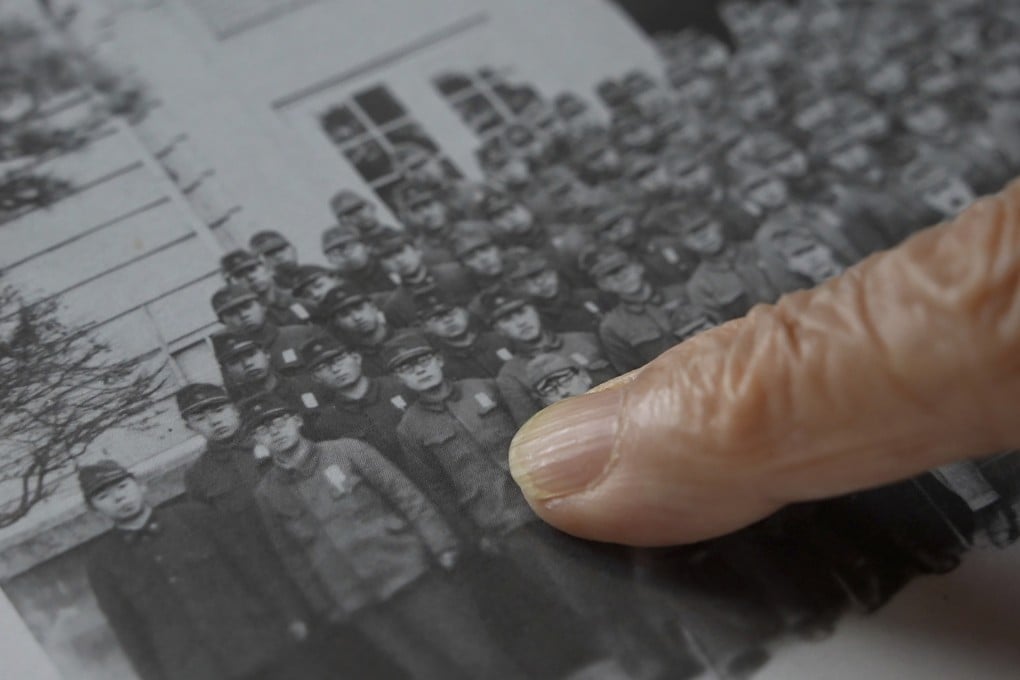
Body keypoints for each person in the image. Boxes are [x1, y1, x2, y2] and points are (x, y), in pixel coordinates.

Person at [507, 177, 1020, 550]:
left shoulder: (763, 254)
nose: (705, 238)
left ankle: (990, 504)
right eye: (611, 275)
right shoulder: (682, 294)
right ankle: (967, 518)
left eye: (708, 227)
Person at [246, 395, 525, 680]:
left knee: (473, 654)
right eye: (263, 429)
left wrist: (440, 544)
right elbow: (291, 554)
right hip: (355, 596)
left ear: (296, 420)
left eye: (279, 421)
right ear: (256, 440)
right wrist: (325, 604)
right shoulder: (268, 492)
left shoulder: (347, 450)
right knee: (425, 670)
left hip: (408, 570)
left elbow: (404, 495)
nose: (274, 432)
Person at [82, 460, 312, 680]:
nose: (118, 497)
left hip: (258, 646)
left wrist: (291, 615)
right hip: (195, 670)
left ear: (141, 485)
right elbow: (129, 632)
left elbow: (253, 569)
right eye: (103, 496)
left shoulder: (195, 517)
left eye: (122, 486)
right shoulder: (103, 562)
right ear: (95, 511)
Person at [210, 285, 322, 377]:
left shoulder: (302, 334)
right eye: (232, 313)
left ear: (261, 305)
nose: (243, 315)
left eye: (247, 306)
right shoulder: (234, 361)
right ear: (223, 322)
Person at [220, 249, 310, 326]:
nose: (250, 277)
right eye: (240, 275)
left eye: (252, 269)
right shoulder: (245, 322)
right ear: (231, 284)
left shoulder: (300, 297)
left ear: (266, 268)